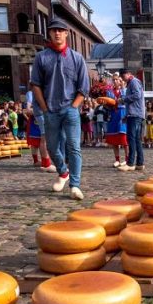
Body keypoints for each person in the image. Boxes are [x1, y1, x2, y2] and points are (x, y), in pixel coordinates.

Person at [29, 19, 90, 199]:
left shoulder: (77, 58)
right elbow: (36, 85)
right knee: (53, 148)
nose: (57, 33)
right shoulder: (42, 57)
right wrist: (45, 108)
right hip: (50, 110)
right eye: (54, 30)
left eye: (60, 30)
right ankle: (63, 172)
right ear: (49, 33)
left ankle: (75, 185)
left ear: (66, 34)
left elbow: (83, 87)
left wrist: (74, 106)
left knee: (73, 146)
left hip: (70, 108)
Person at [119, 67, 145, 171]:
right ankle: (140, 163)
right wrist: (127, 115)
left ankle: (130, 163)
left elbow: (137, 96)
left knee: (131, 139)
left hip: (135, 115)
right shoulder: (133, 82)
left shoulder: (133, 82)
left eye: (122, 76)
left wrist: (123, 99)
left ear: (128, 74)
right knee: (137, 140)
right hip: (135, 114)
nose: (122, 78)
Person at [105, 76, 128, 166]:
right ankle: (117, 159)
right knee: (114, 139)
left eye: (116, 79)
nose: (114, 81)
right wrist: (105, 103)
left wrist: (122, 88)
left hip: (122, 114)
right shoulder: (109, 92)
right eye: (113, 79)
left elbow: (127, 101)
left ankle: (127, 158)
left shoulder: (125, 90)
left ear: (120, 80)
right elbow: (107, 105)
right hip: (113, 115)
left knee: (124, 138)